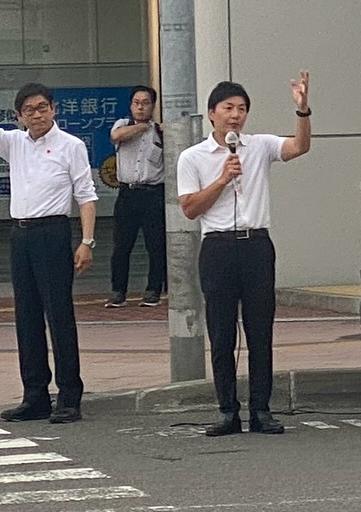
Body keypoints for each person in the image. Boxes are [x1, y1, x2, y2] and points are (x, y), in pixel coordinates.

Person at [0, 71, 96, 424]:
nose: (37, 114)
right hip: (21, 235)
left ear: (53, 109)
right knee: (27, 317)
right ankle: (35, 396)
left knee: (59, 316)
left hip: (53, 232)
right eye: (29, 110)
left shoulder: (71, 146)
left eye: (42, 107)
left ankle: (69, 397)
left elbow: (86, 196)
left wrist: (87, 241)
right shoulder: (14, 143)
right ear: (19, 116)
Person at [178, 72, 312, 437]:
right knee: (222, 334)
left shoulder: (259, 146)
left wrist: (302, 110)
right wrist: (222, 179)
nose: (235, 115)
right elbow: (189, 209)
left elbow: (299, 147)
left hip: (256, 246)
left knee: (259, 331)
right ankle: (227, 411)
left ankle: (261, 410)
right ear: (212, 113)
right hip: (217, 247)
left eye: (241, 109)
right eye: (228, 108)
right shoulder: (192, 157)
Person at [106, 85, 166, 308]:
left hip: (153, 194)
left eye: (146, 103)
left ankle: (153, 290)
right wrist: (142, 127)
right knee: (121, 246)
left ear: (153, 106)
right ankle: (118, 291)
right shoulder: (123, 125)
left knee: (155, 246)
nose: (141, 107)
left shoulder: (160, 132)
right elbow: (116, 136)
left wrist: (155, 128)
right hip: (127, 193)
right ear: (130, 105)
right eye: (137, 103)